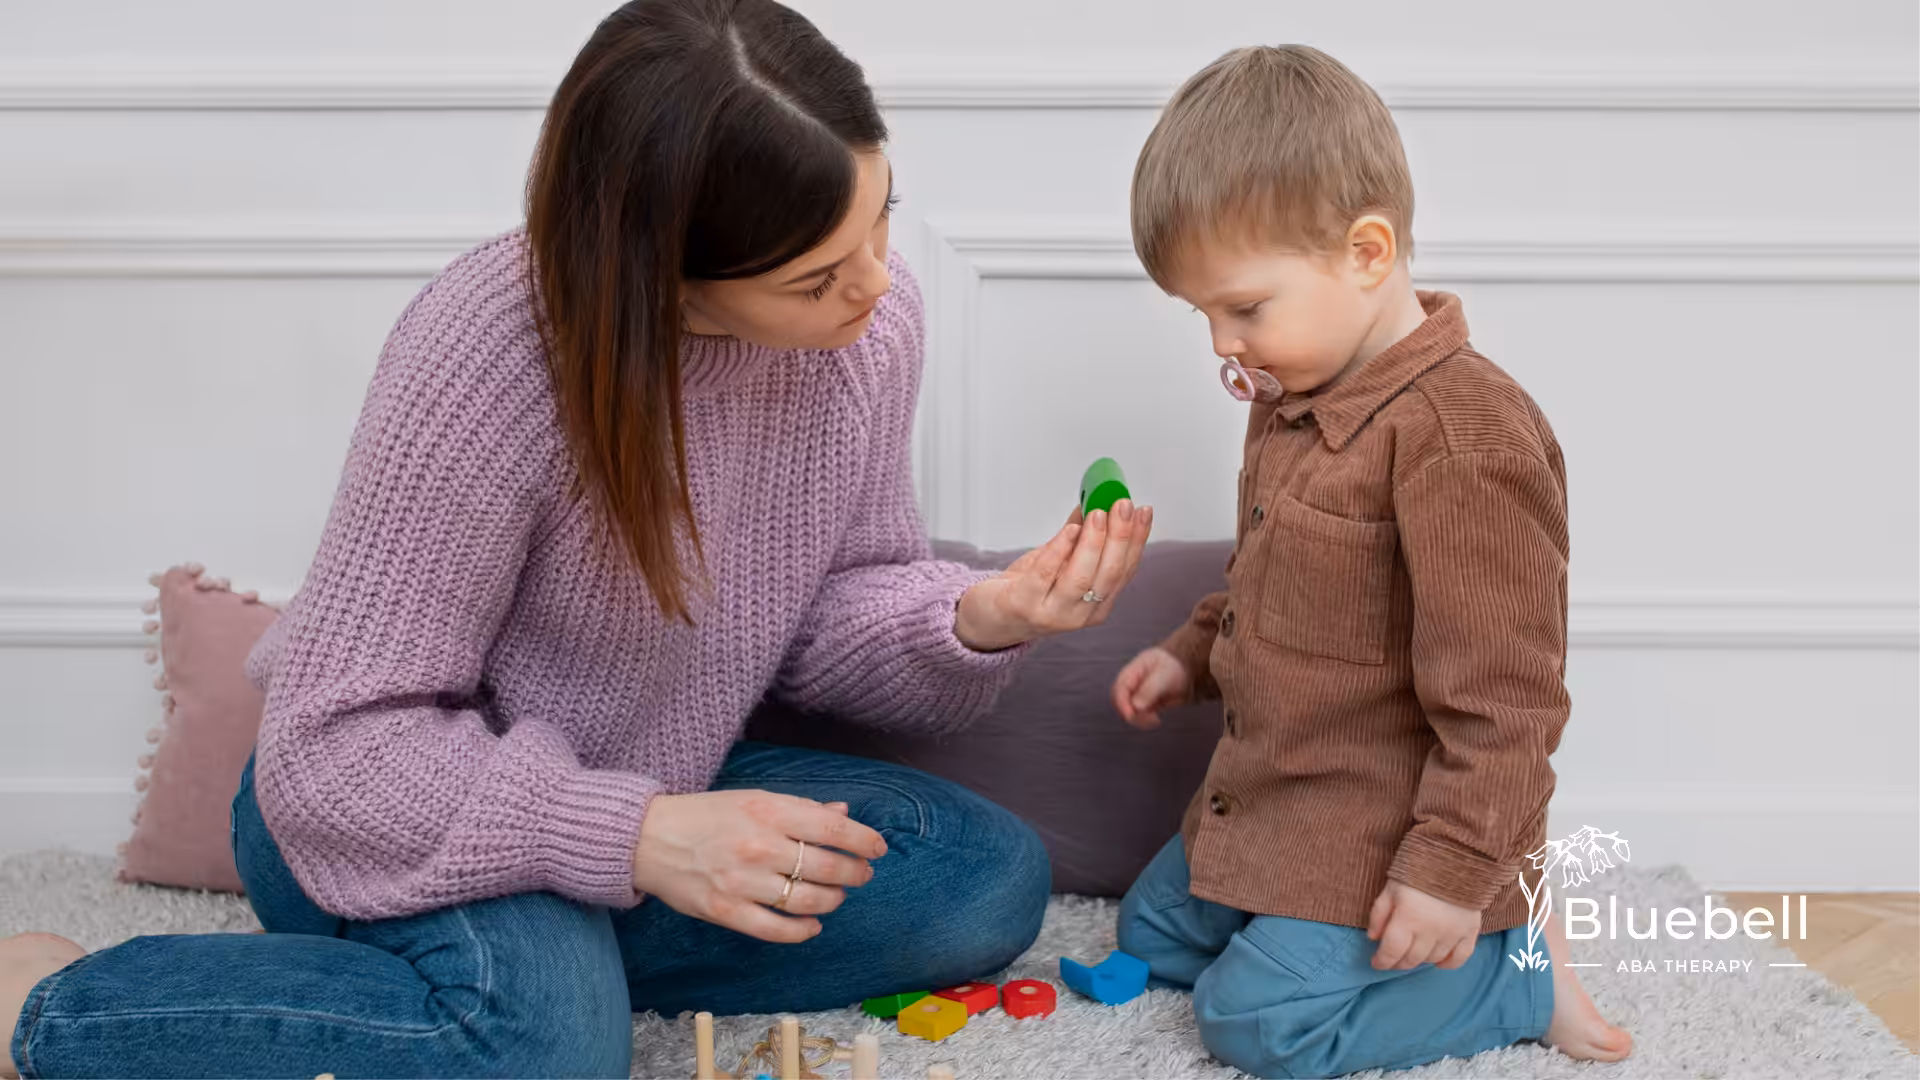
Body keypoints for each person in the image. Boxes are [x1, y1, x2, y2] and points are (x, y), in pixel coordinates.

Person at [0, 2, 1155, 1076]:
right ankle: (49, 1003)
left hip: (644, 788)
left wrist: (975, 616)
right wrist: (638, 838)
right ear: (661, 268)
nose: (874, 284)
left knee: (982, 881)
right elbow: (338, 750)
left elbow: (825, 609)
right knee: (547, 1051)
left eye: (883, 213)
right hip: (393, 803)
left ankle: (523, 969)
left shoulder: (868, 324)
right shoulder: (485, 358)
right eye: (814, 276)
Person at [1106, 45, 1632, 1078]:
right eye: (1202, 314)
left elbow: (1508, 702)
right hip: (1276, 794)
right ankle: (1319, 933)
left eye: (1245, 308)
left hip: (1386, 828)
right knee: (1150, 938)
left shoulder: (1464, 443)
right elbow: (1273, 572)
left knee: (1258, 1025)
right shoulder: (1291, 398)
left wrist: (1450, 874)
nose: (1223, 342)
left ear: (1368, 252)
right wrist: (1188, 654)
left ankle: (1512, 969)